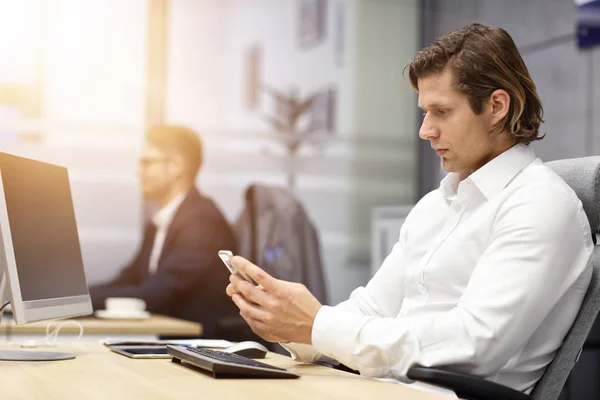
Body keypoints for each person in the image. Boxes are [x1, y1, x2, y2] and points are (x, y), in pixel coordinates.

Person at [225, 23, 594, 394]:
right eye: (424, 112)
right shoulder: (436, 205)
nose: (425, 130)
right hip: (381, 389)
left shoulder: (540, 206)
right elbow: (371, 308)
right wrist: (291, 326)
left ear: (496, 106)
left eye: (441, 112)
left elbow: (474, 345)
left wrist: (318, 324)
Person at [90, 125, 238, 338]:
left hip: (205, 350)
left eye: (147, 162)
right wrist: (74, 300)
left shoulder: (202, 221)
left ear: (176, 165)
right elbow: (129, 279)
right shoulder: (160, 223)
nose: (138, 172)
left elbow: (154, 293)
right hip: (174, 344)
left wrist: (83, 302)